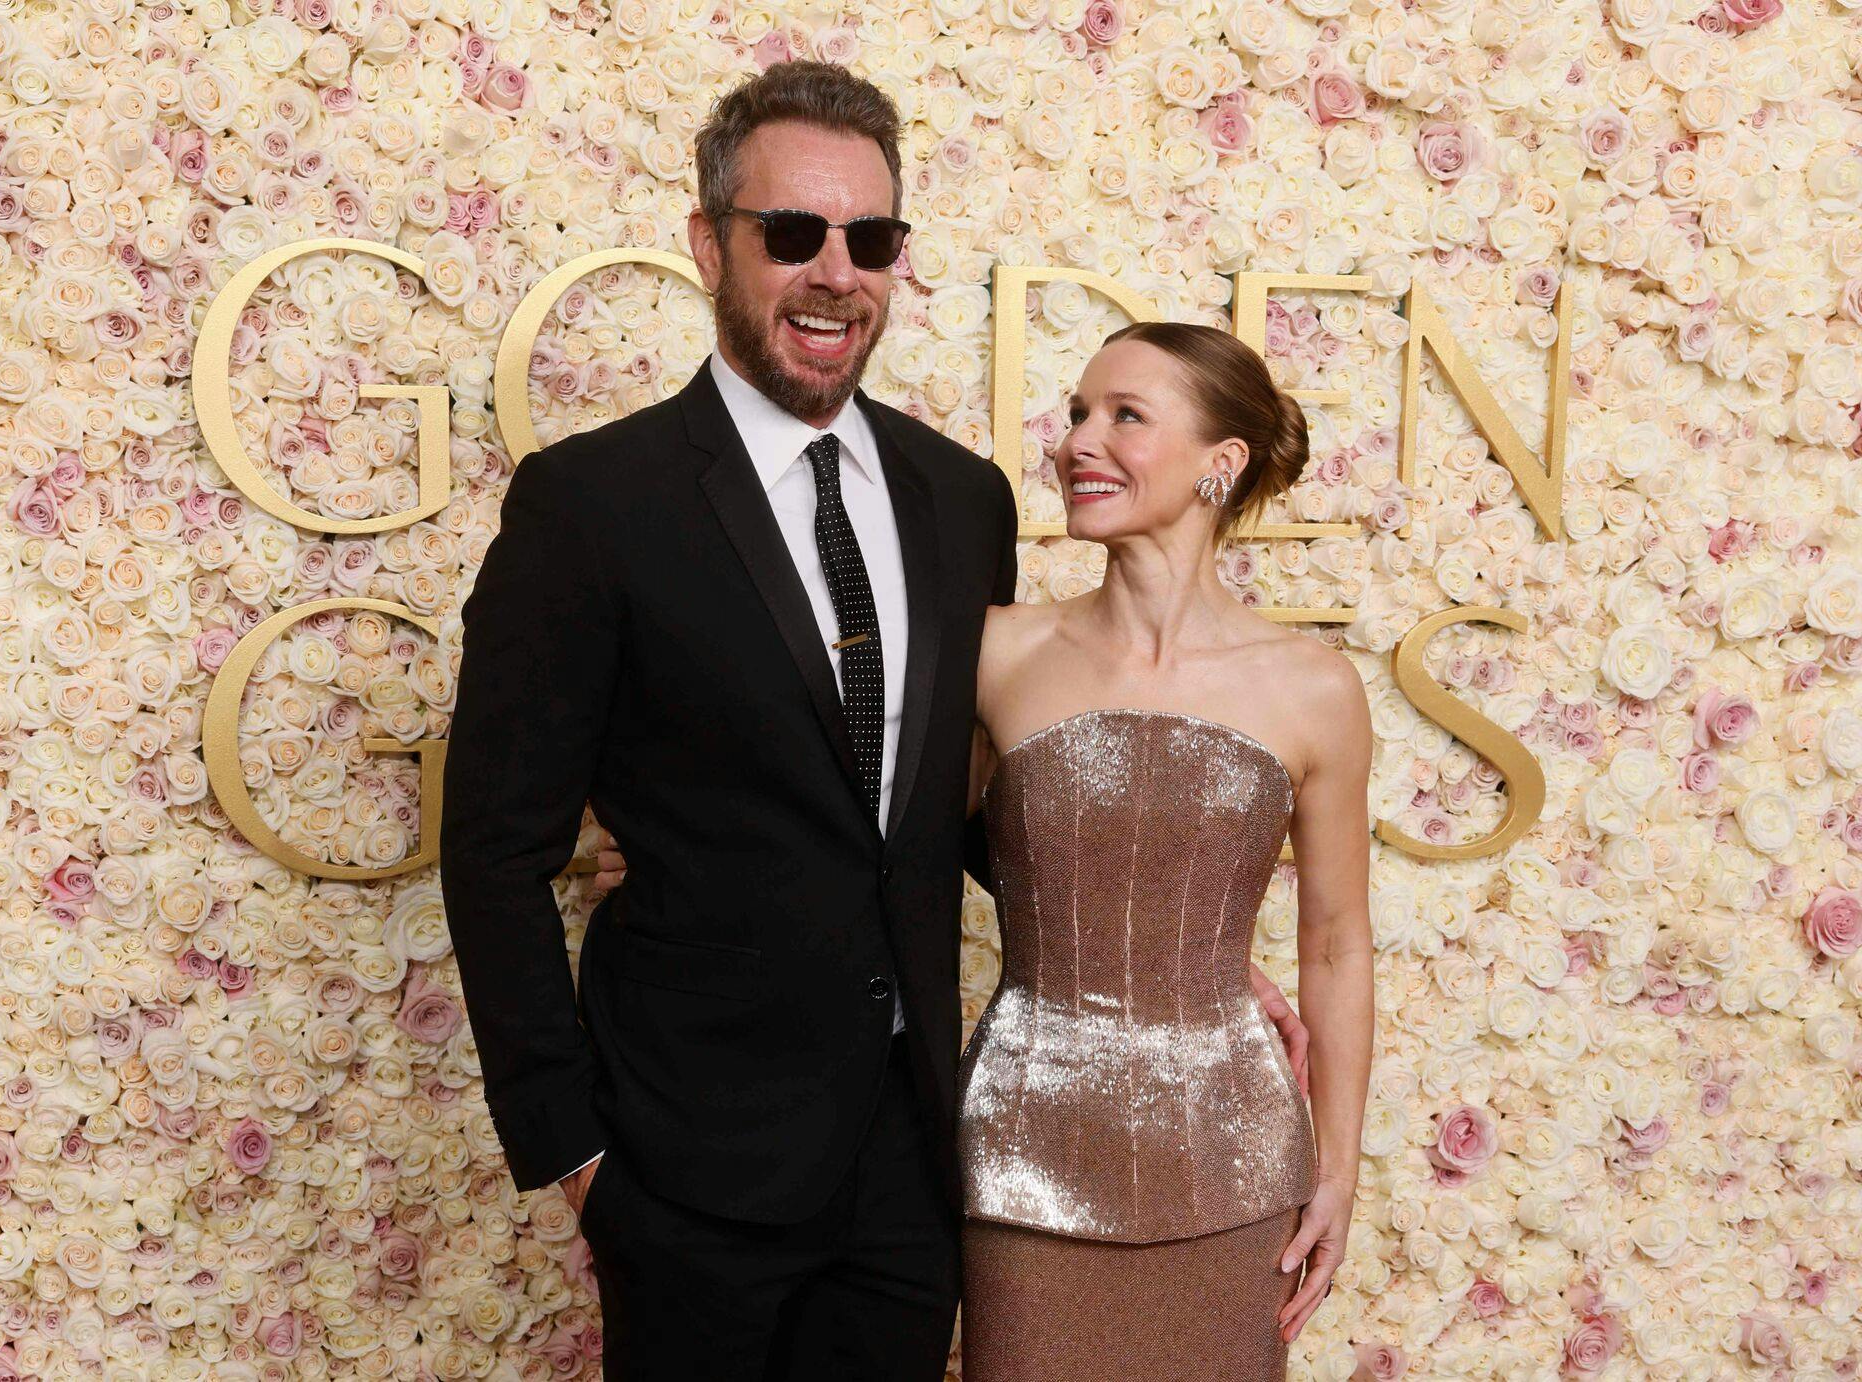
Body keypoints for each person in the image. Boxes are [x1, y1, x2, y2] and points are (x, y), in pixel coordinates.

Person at [443, 59, 1311, 1380]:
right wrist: (574, 1150)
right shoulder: (592, 503)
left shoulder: (958, 500)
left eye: (871, 238)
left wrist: (1148, 945)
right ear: (708, 245)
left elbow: (946, 800)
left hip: (911, 1168)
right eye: (791, 234)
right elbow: (497, 850)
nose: (833, 271)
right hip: (684, 1168)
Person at [953, 321, 1375, 1380]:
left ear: (1218, 465)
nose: (1078, 441)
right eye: (1078, 413)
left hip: (1234, 1169)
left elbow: (1334, 943)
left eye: (1125, 416)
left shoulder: (1314, 687)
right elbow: (891, 856)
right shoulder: (996, 650)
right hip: (1023, 1163)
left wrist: (1337, 1166)